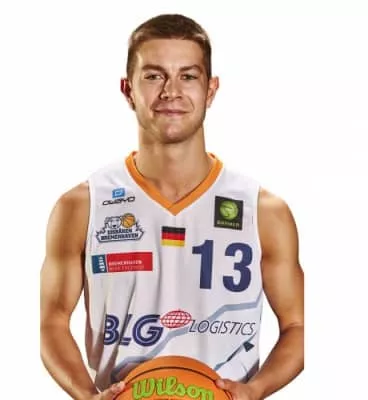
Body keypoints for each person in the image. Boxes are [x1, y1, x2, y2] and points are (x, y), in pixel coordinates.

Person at [40, 13, 304, 400]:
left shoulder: (263, 211)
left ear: (210, 90)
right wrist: (87, 396)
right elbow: (52, 321)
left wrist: (256, 389)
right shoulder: (83, 206)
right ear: (128, 89)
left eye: (188, 76)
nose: (171, 92)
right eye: (154, 76)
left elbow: (298, 326)